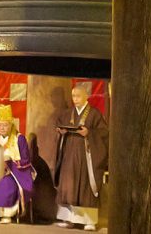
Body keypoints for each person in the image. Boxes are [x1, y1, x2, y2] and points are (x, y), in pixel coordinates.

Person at [54, 87, 108, 231]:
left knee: (85, 187)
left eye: (78, 96)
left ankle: (89, 221)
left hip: (87, 156)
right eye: (73, 96)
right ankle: (68, 219)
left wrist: (89, 133)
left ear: (86, 96)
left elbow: (104, 133)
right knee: (69, 186)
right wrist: (61, 132)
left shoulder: (95, 114)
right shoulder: (67, 114)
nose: (75, 99)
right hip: (69, 155)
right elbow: (59, 125)